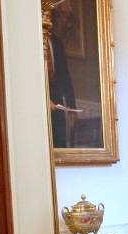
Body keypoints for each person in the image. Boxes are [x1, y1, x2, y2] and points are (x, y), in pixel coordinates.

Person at [48, 10, 77, 148]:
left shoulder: (57, 43)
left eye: (49, 16)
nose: (46, 20)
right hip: (38, 111)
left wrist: (71, 108)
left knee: (60, 147)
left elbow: (66, 77)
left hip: (59, 110)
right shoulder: (30, 44)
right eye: (43, 16)